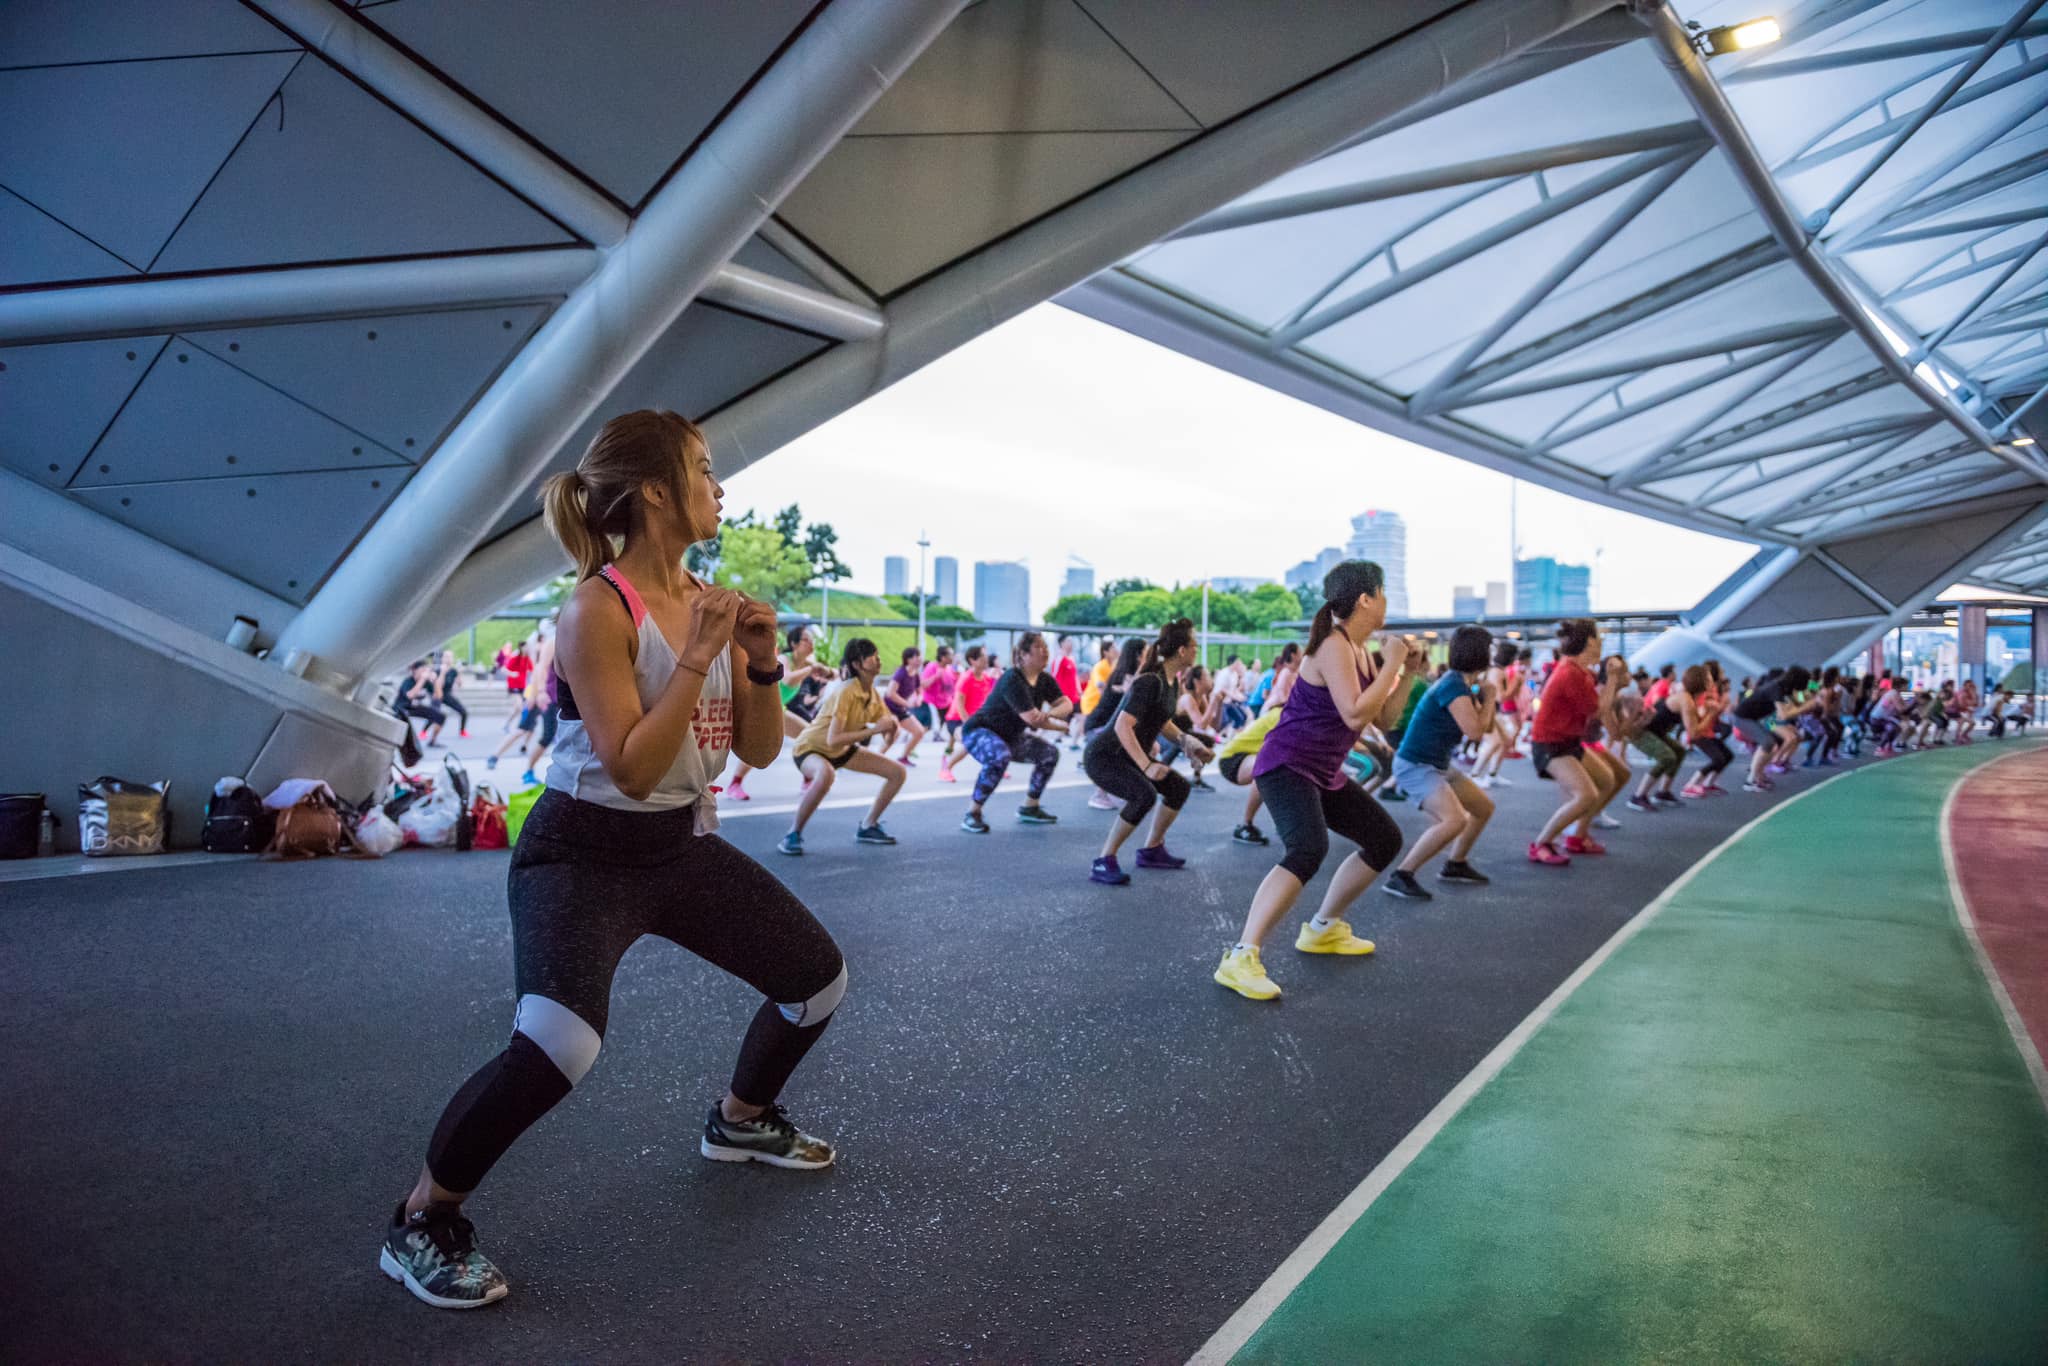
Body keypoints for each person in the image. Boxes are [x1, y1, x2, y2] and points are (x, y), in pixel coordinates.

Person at [381, 410, 844, 1311]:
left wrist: (756, 665)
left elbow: (754, 754)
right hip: (580, 854)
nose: (721, 488)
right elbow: (629, 768)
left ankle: (741, 1121)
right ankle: (421, 1220)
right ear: (659, 493)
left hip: (678, 845)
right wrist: (697, 656)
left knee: (816, 981)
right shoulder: (596, 609)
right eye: (705, 471)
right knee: (559, 1043)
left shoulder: (709, 599)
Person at [1214, 562, 1413, 1002]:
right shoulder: (1332, 645)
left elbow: (1383, 716)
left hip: (1322, 771)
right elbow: (1354, 714)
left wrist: (1407, 673)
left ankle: (1323, 928)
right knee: (1307, 848)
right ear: (1366, 598)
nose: (1385, 602)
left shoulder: (1360, 650)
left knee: (1383, 839)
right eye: (1382, 593)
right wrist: (1393, 662)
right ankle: (1240, 956)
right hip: (1287, 765)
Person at [1082, 619, 1210, 884]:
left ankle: (1151, 850)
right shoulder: (1149, 681)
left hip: (1126, 755)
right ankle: (1103, 860)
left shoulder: (1170, 682)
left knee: (1177, 788)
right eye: (1194, 644)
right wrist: (1146, 764)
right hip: (1104, 757)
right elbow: (1122, 724)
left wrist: (1189, 743)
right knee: (1144, 795)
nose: (1197, 649)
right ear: (1182, 651)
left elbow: (1161, 722)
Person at [1383, 625, 1497, 898]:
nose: (1492, 653)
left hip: (1437, 764)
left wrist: (1487, 700)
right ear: (1480, 652)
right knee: (1454, 820)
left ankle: (1455, 864)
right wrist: (1491, 697)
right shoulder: (1453, 685)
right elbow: (1476, 732)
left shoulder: (1463, 685)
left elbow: (1485, 728)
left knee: (1483, 807)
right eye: (1489, 648)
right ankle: (1401, 875)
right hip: (1415, 765)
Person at [779, 638, 906, 855]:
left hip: (843, 750)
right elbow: (833, 739)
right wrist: (874, 731)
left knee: (897, 772)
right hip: (810, 749)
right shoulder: (846, 691)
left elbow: (886, 732)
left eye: (878, 656)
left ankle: (868, 826)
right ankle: (793, 834)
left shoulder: (872, 694)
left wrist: (891, 730)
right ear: (857, 664)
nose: (879, 661)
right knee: (825, 774)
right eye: (873, 657)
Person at [1526, 619, 1624, 866]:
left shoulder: (1578, 669)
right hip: (1550, 745)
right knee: (1586, 795)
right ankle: (1541, 844)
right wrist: (1612, 679)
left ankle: (1577, 837)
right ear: (1589, 642)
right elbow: (1598, 709)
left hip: (1568, 741)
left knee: (1607, 779)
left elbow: (1598, 691)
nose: (1602, 643)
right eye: (1599, 638)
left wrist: (1613, 678)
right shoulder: (1570, 672)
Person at [958, 633, 1073, 833]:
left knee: (1049, 754)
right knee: (999, 756)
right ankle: (973, 813)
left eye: (1045, 646)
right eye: (1038, 647)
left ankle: (1030, 806)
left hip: (1011, 736)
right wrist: (1058, 726)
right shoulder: (1012, 678)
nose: (1044, 651)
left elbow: (1066, 704)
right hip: (980, 731)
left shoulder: (1044, 680)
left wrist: (1050, 714)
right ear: (1023, 654)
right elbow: (1031, 719)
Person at [725, 625, 831, 802]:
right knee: (758, 747)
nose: (810, 643)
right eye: (806, 639)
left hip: (778, 709)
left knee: (807, 736)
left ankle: (807, 778)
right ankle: (734, 784)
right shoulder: (784, 658)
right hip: (761, 709)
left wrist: (828, 671)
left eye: (811, 640)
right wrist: (812, 670)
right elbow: (788, 679)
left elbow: (832, 674)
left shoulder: (807, 664)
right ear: (794, 643)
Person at [1081, 638, 1146, 810]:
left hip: (1107, 725)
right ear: (1138, 656)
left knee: (1141, 748)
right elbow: (1130, 696)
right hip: (1098, 725)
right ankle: (1101, 794)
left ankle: (1127, 791)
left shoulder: (1127, 673)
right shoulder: (1124, 676)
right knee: (1117, 753)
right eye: (1146, 652)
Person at [1729, 665, 1811, 792]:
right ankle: (1751, 780)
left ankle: (1760, 774)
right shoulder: (1776, 688)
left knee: (1775, 743)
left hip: (1759, 719)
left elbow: (1795, 704)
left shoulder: (1784, 688)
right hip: (1743, 718)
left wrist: (1805, 701)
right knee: (1768, 742)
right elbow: (1783, 715)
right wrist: (1807, 706)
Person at [1215, 704, 1284, 845]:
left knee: (1285, 769)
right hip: (1232, 759)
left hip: (1249, 756)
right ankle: (1245, 826)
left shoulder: (1288, 714)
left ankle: (1285, 822)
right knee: (1269, 767)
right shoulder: (1281, 715)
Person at [938, 645, 997, 784]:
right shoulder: (966, 678)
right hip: (957, 720)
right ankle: (945, 770)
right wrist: (969, 724)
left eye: (985, 655)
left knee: (993, 740)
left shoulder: (986, 679)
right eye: (982, 656)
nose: (986, 659)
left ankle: (996, 766)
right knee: (970, 742)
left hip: (973, 720)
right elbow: (959, 705)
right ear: (972, 660)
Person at [1677, 663, 1734, 795]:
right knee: (1718, 759)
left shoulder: (1715, 688)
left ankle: (1708, 784)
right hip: (1699, 732)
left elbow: (1715, 711)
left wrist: (1720, 706)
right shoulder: (1705, 692)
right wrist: (1718, 705)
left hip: (1709, 731)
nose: (1723, 672)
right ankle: (1690, 785)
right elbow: (1702, 711)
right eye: (1721, 671)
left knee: (1728, 756)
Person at [882, 647, 928, 766]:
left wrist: (919, 699)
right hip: (888, 708)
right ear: (908, 660)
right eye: (916, 657)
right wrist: (907, 703)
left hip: (901, 709)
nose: (919, 659)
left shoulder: (915, 674)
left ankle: (904, 757)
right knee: (895, 733)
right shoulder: (900, 673)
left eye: (919, 656)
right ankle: (878, 758)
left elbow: (920, 690)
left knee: (919, 732)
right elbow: (890, 693)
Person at [920, 644, 962, 759]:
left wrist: (959, 677)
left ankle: (949, 748)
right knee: (928, 727)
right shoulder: (932, 667)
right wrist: (936, 677)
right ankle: (912, 744)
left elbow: (952, 687)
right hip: (932, 703)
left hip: (946, 703)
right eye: (950, 655)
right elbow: (924, 684)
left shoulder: (949, 669)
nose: (952, 657)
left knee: (953, 724)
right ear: (943, 657)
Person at [1053, 636, 1084, 748]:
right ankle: (1067, 741)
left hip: (1074, 697)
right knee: (1079, 718)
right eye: (1068, 641)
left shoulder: (1071, 658)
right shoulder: (1059, 658)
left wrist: (1079, 691)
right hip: (1064, 697)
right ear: (1061, 643)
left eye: (1071, 641)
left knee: (1076, 719)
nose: (1070, 643)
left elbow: (1074, 678)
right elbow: (1054, 676)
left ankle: (1066, 741)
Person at [433, 651, 470, 740]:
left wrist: (459, 672)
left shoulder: (453, 671)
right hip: (438, 695)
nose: (448, 659)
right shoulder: (438, 670)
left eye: (450, 657)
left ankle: (462, 731)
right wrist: (442, 673)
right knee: (434, 714)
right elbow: (438, 686)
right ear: (442, 659)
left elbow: (460, 684)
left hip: (447, 695)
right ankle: (424, 732)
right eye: (446, 657)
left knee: (464, 712)